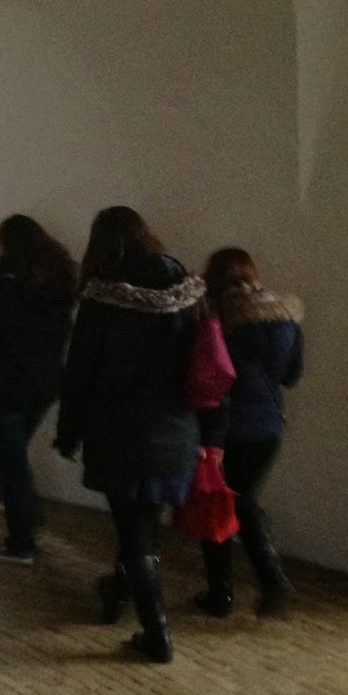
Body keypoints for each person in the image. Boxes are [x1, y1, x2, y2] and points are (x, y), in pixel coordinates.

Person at [54, 206, 216, 663]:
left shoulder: (102, 299)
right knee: (143, 526)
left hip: (119, 433)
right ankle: (117, 594)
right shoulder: (189, 294)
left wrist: (68, 432)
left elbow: (79, 374)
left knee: (134, 530)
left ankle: (156, 632)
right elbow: (206, 367)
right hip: (177, 431)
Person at [194, 248, 303, 617]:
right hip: (270, 426)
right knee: (244, 500)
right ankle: (268, 584)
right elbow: (292, 376)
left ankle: (227, 593)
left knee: (220, 503)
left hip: (225, 428)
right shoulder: (286, 318)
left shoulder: (216, 317)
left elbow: (209, 374)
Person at [0, 215, 77, 563]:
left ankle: (21, 541)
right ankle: (28, 517)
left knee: (11, 464)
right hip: (43, 385)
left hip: (5, 386)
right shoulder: (60, 286)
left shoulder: (4, 289)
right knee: (13, 460)